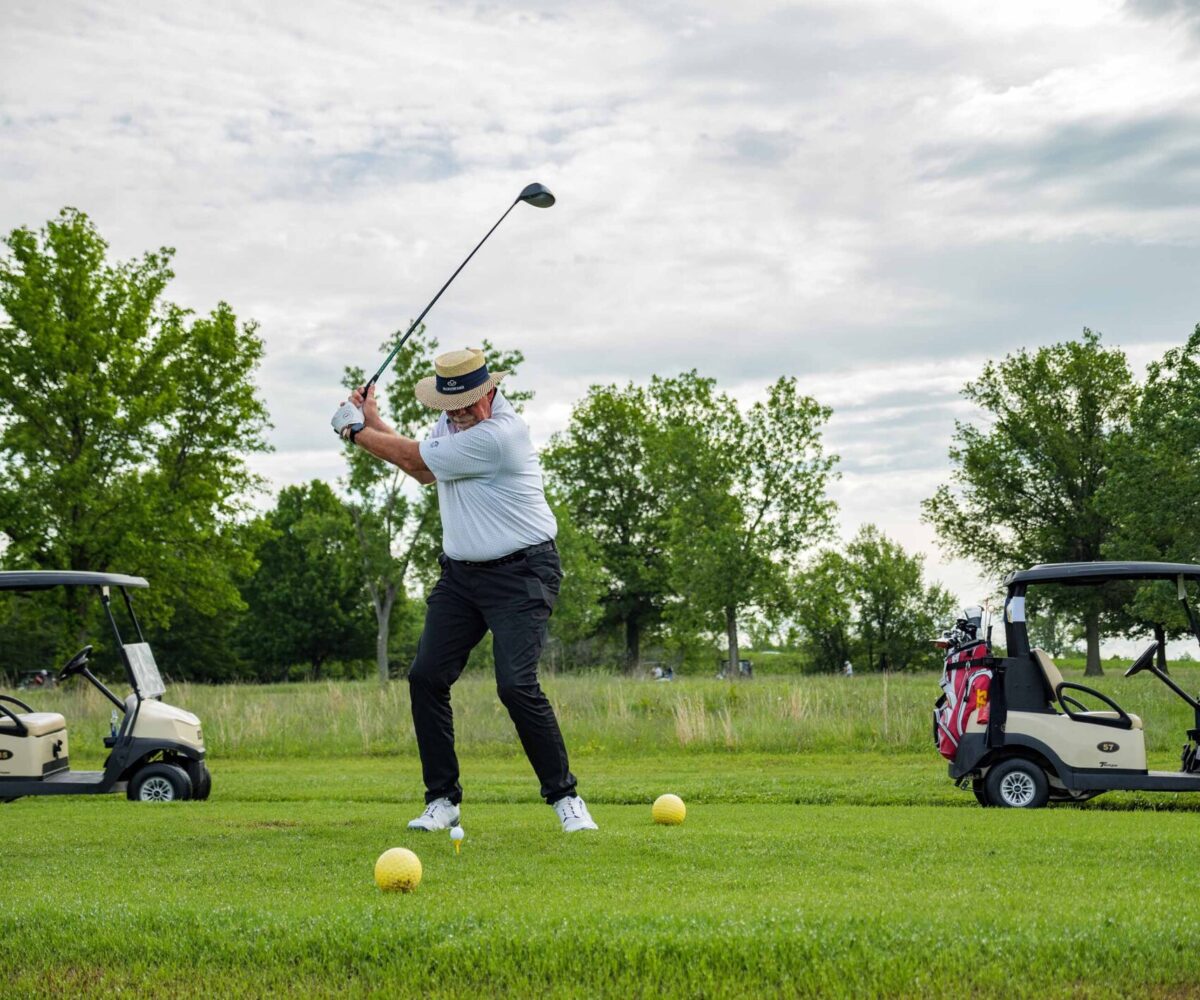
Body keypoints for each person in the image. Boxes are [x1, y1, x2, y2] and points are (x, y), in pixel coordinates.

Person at [332, 348, 597, 834]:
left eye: (468, 403)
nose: (459, 414)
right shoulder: (452, 427)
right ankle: (442, 800)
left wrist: (355, 431)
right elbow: (427, 467)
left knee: (516, 685)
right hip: (461, 576)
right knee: (425, 677)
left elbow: (414, 461)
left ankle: (565, 798)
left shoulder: (501, 436)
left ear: (490, 393)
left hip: (523, 574)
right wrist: (374, 420)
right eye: (451, 406)